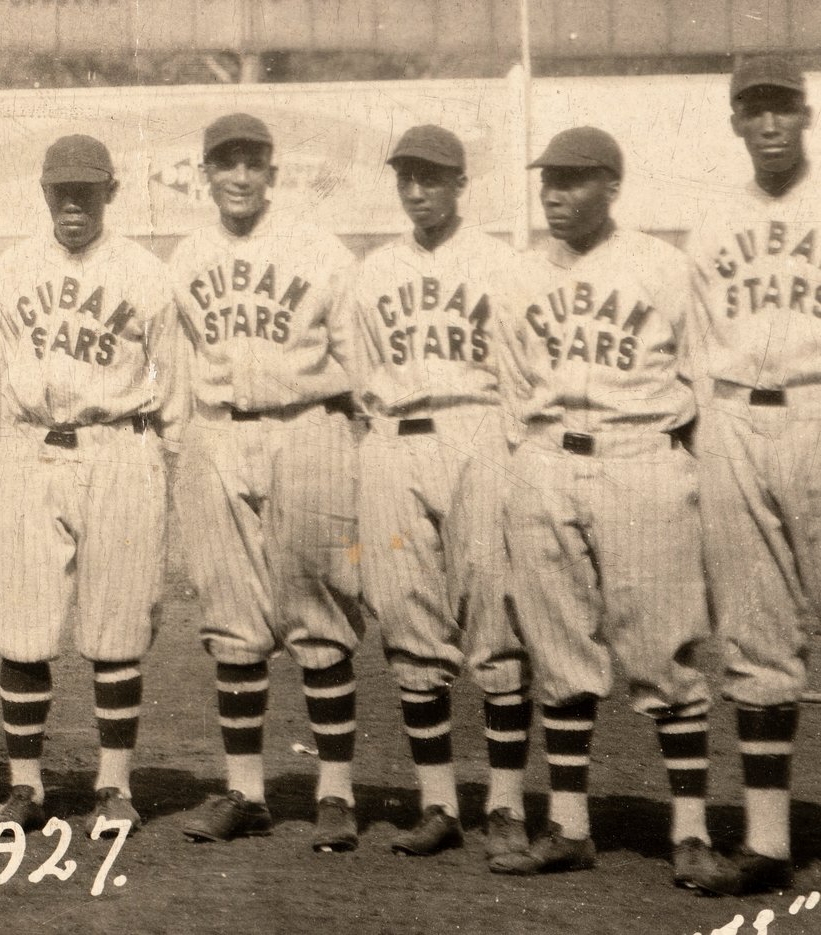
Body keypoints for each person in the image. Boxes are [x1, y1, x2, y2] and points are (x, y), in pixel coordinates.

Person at [490, 126, 730, 891]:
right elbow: (509, 387)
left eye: (574, 179)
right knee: (558, 648)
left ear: (614, 185)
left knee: (664, 648)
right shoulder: (519, 276)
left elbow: (702, 380)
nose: (554, 193)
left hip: (641, 455)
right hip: (548, 456)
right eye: (548, 180)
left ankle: (689, 829)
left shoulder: (663, 267)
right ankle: (568, 824)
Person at [167, 114, 362, 851]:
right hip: (218, 429)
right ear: (206, 174)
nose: (240, 177)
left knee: (319, 609)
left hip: (306, 423)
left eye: (253, 164)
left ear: (273, 173)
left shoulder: (320, 250)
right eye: (226, 164)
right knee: (234, 617)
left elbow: (356, 353)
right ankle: (244, 789)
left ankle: (336, 791)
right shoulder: (186, 257)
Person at [344, 125, 532, 861]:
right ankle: (439, 802)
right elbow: (361, 371)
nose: (418, 190)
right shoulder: (374, 269)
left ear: (460, 183)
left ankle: (509, 805)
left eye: (433, 177)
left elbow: (519, 365)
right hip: (395, 435)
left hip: (477, 427)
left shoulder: (500, 263)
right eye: (407, 177)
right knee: (407, 613)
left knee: (495, 608)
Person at [0, 134, 180, 833]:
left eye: (87, 190)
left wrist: (166, 468)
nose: (73, 202)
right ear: (43, 193)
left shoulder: (148, 273)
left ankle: (114, 786)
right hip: (33, 445)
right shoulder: (11, 267)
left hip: (120, 446)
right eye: (61, 190)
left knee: (117, 622)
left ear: (111, 192)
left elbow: (171, 386)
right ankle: (26, 785)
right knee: (23, 623)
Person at [688, 54, 821, 894]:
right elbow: (698, 340)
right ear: (735, 122)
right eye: (754, 110)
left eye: (783, 108)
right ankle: (768, 843)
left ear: (806, 116)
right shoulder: (710, 224)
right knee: (755, 629)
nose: (769, 123)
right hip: (736, 412)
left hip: (817, 402)